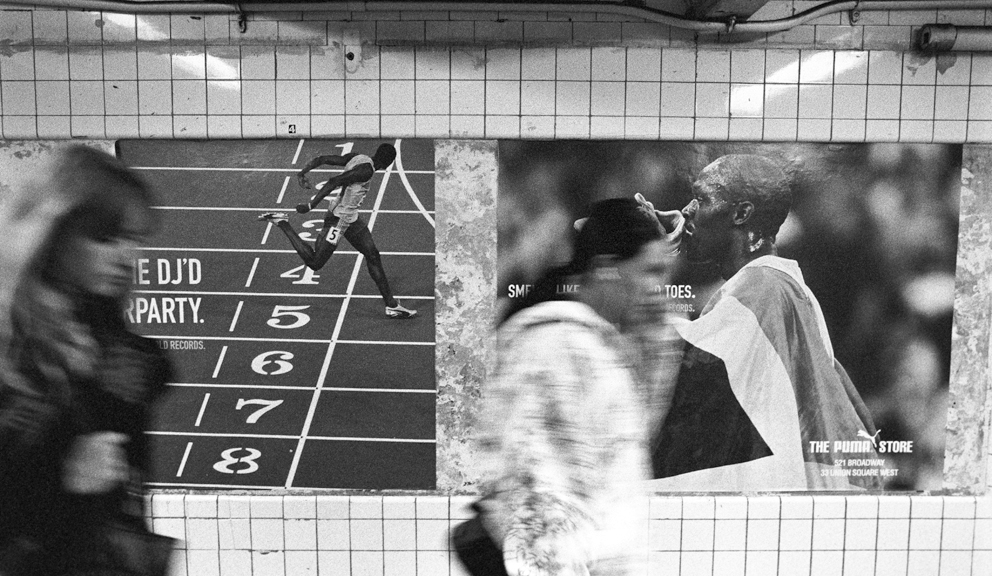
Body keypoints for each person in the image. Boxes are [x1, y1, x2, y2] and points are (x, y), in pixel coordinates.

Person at [467, 198, 682, 576]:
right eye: (650, 271)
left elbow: (621, 457)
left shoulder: (601, 347)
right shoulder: (556, 346)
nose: (659, 288)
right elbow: (539, 490)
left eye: (664, 274)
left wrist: (656, 351)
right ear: (606, 270)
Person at [649, 154, 882, 491]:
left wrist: (646, 259)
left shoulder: (762, 288)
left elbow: (682, 369)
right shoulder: (781, 286)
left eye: (701, 198)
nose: (687, 210)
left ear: (741, 213)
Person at [0, 145, 176, 575]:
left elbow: (148, 374)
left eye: (134, 241)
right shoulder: (11, 348)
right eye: (105, 239)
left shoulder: (97, 320)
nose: (128, 258)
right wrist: (66, 477)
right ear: (54, 235)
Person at [258, 143, 417, 319]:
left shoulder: (358, 157)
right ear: (388, 163)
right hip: (339, 220)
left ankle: (391, 306)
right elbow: (334, 181)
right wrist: (310, 205)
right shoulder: (366, 171)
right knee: (315, 262)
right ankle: (282, 223)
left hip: (351, 219)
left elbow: (323, 159)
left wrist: (303, 172)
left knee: (372, 255)